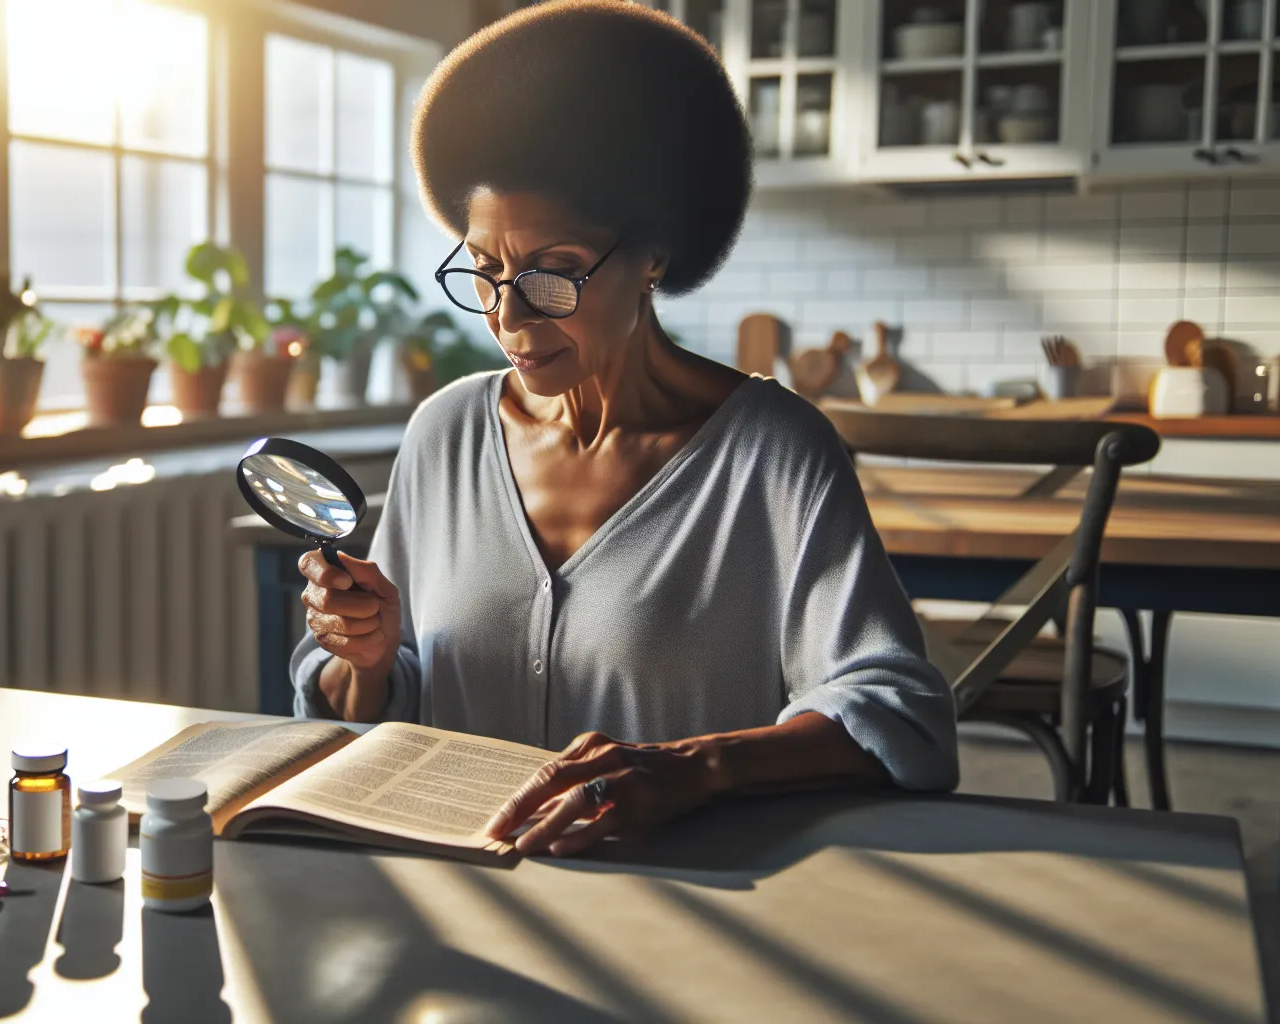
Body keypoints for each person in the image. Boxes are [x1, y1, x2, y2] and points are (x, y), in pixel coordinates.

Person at [289, 0, 957, 858]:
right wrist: (369, 657)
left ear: (654, 256)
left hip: (685, 912)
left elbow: (898, 711)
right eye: (487, 270)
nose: (508, 315)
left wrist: (695, 766)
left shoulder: (772, 453)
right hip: (459, 907)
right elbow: (391, 707)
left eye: (554, 274)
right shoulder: (445, 434)